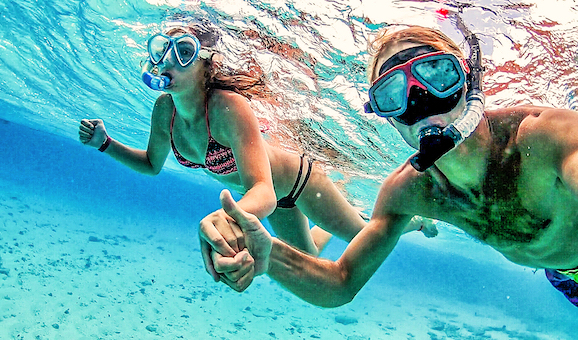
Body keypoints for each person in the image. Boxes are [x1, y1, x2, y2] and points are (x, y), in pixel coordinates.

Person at [203, 24, 578, 314]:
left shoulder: (548, 137)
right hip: (564, 278)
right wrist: (270, 255)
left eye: (436, 73)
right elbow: (340, 283)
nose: (420, 99)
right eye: (393, 92)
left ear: (467, 78)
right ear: (384, 114)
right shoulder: (408, 192)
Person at [78, 22, 439, 279]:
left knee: (360, 235)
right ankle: (345, 209)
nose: (168, 61)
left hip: (296, 182)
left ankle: (413, 221)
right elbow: (152, 164)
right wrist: (105, 145)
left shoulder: (227, 107)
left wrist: (229, 216)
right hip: (268, 199)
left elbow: (262, 190)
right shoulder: (164, 110)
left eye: (184, 52)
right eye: (163, 51)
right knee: (309, 257)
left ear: (205, 62)